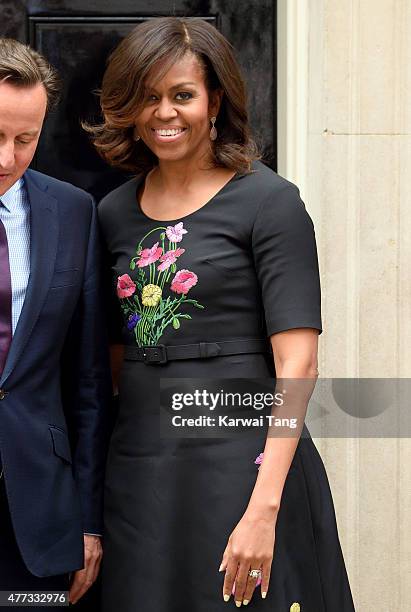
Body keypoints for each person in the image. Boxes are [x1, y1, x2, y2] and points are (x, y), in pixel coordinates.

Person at [90, 17, 355, 611]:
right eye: (148, 97)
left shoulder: (270, 201)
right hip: (140, 476)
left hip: (244, 468)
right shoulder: (110, 213)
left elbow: (299, 362)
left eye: (182, 95)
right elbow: (111, 360)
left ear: (215, 102)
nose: (165, 113)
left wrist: (265, 509)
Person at [0, 39, 111, 608]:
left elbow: (88, 382)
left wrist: (88, 521)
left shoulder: (73, 211)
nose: (6, 159)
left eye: (25, 139)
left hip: (40, 517)